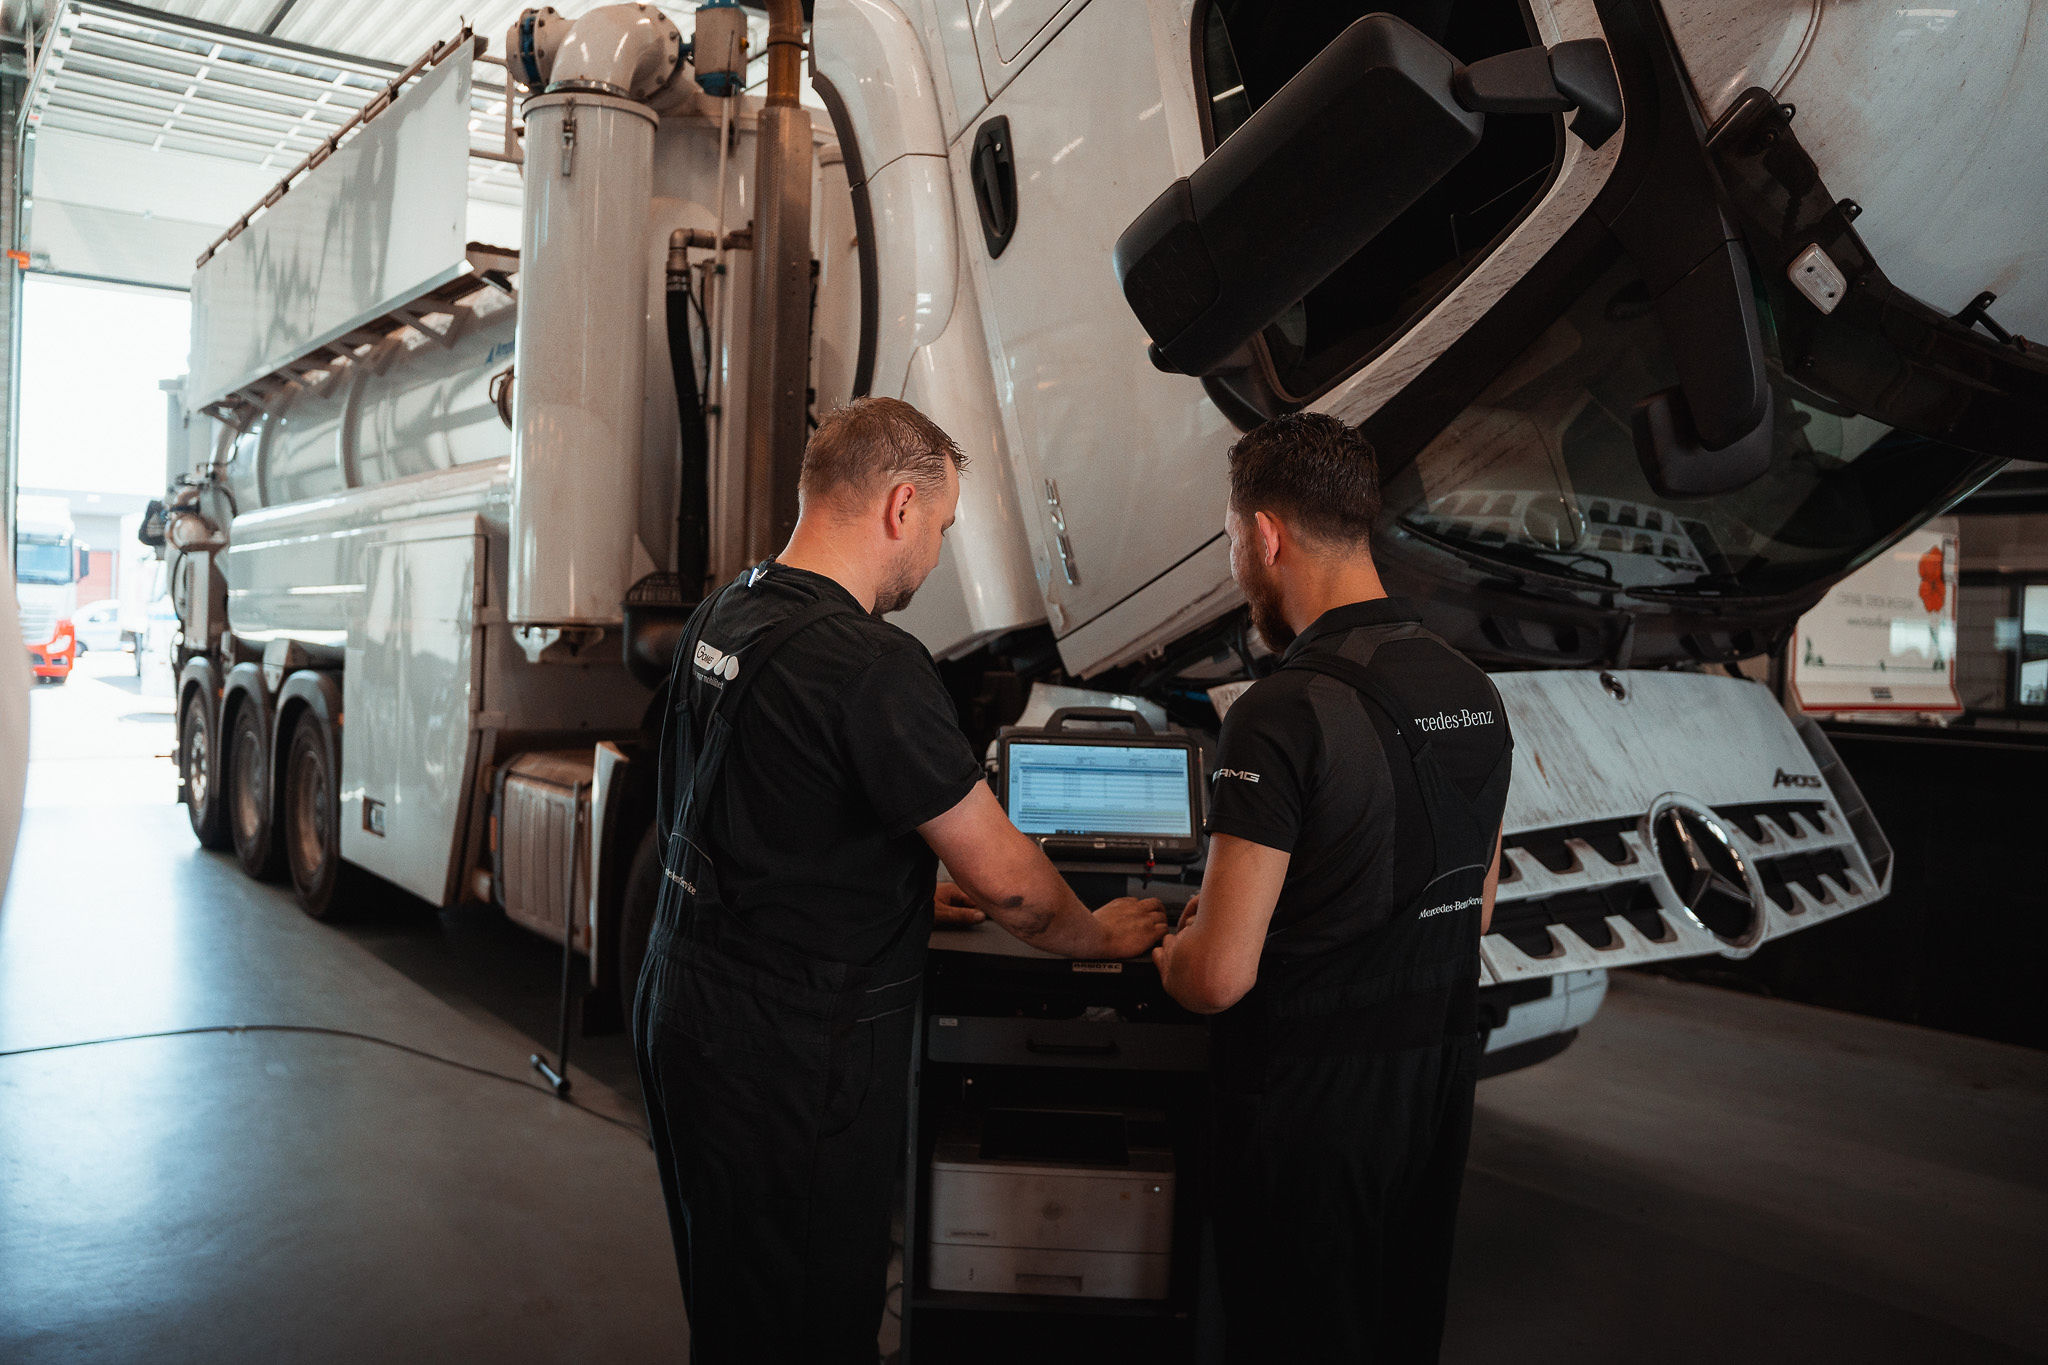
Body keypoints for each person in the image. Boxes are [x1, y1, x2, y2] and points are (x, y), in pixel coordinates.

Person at [633, 396, 1170, 1363]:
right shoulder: (872, 665)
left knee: (735, 1303)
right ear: (900, 504)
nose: (937, 554)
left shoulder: (729, 607)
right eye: (943, 528)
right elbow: (1013, 887)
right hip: (792, 1055)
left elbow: (746, 811)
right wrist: (1097, 934)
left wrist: (905, 889)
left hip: (686, 1010)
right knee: (807, 1322)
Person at [1151, 412, 1513, 1361]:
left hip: (1310, 1105)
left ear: (1265, 534)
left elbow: (1219, 977)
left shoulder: (1280, 713)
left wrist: (1172, 950)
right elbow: (1470, 906)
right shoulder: (1477, 690)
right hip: (1432, 1083)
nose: (1238, 566)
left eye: (1234, 542)